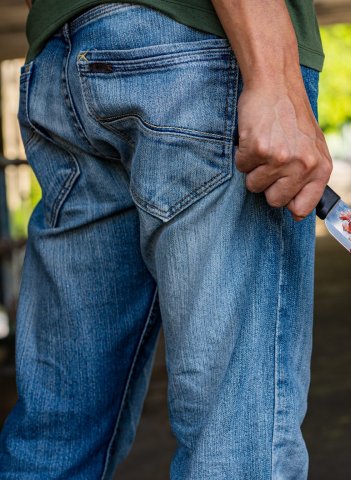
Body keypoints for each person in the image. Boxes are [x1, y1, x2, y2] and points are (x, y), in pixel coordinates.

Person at [0, 0, 332, 477]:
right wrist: (274, 80)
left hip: (64, 58)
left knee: (56, 435)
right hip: (199, 51)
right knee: (238, 443)